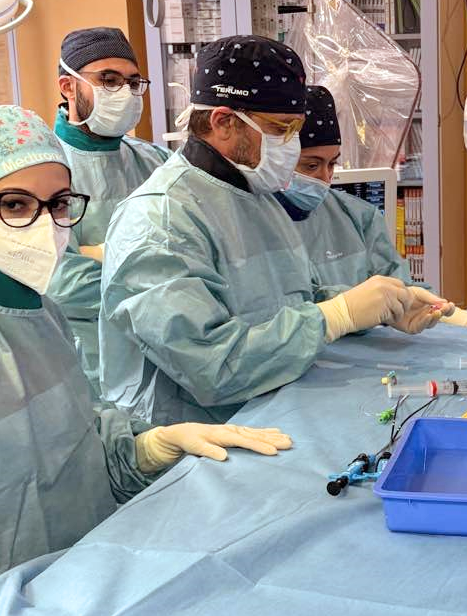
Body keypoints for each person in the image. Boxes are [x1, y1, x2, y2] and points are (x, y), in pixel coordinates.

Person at [99, 35, 453, 427]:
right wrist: (335, 316)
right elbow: (211, 366)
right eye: (281, 129)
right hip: (197, 438)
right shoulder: (161, 219)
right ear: (223, 122)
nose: (291, 145)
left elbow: (291, 297)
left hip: (269, 408)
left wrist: (379, 307)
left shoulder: (254, 195)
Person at [0, 105, 293, 573]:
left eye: (58, 204)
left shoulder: (41, 316)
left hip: (77, 570)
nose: (45, 224)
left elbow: (73, 443)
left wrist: (146, 448)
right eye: (14, 205)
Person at [47, 27, 170, 396]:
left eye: (133, 82)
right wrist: (161, 276)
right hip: (88, 362)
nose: (125, 92)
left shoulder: (156, 161)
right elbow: (58, 282)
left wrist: (103, 257)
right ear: (68, 87)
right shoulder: (44, 170)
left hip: (167, 352)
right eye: (109, 80)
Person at [275, 85, 414, 301]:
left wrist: (421, 303)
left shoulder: (358, 217)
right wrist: (344, 310)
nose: (325, 177)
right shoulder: (253, 221)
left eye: (332, 163)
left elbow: (399, 285)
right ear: (279, 159)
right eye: (311, 165)